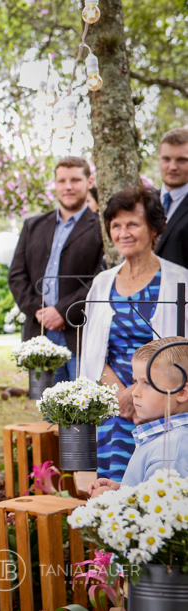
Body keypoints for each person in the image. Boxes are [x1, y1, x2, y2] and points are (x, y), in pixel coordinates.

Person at [81, 187, 188, 483]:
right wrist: (121, 395)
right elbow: (91, 350)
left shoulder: (180, 280)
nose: (123, 233)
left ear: (154, 229)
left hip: (162, 408)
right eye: (116, 225)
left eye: (132, 224)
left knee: (158, 494)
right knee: (108, 490)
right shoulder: (102, 284)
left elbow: (183, 355)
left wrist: (143, 396)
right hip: (112, 403)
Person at [8, 156, 104, 383]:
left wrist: (62, 311)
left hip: (79, 332)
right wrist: (37, 310)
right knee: (46, 408)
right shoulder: (33, 225)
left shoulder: (102, 228)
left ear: (89, 182)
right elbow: (16, 276)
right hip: (39, 332)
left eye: (75, 180)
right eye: (62, 181)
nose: (68, 186)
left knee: (82, 409)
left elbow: (100, 279)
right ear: (55, 184)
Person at [88, 336, 188, 497]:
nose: (134, 392)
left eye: (147, 383)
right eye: (135, 381)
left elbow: (157, 517)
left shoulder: (169, 454)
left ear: (182, 392)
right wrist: (123, 490)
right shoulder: (163, 441)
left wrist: (108, 501)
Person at [155, 128, 188, 268]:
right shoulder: (144, 202)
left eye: (182, 160)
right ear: (159, 160)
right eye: (166, 159)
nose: (172, 167)